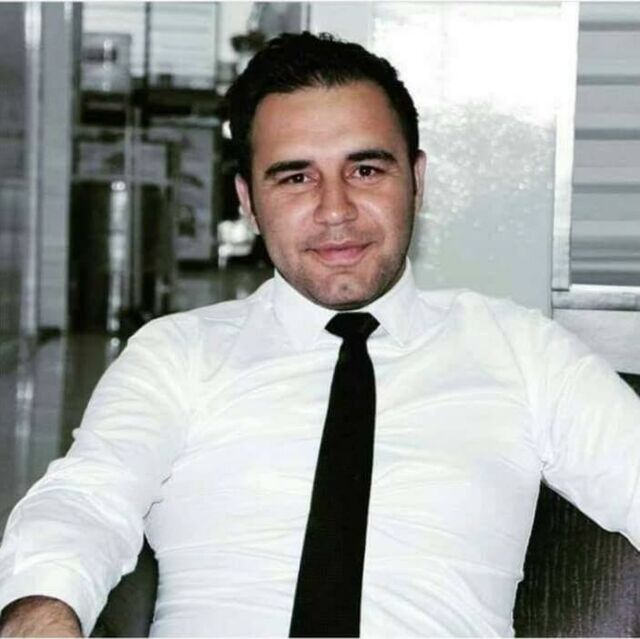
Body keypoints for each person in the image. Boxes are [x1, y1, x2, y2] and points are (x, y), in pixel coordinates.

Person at [1, 31, 640, 638]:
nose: (336, 211)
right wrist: (43, 607)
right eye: (296, 177)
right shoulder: (178, 355)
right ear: (248, 202)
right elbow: (87, 499)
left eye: (366, 171)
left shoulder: (521, 352)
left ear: (417, 181)